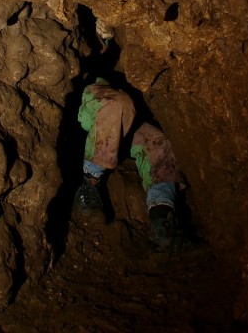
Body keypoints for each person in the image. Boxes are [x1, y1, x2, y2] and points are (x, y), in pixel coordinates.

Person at [73, 76, 180, 249]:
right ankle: (89, 185)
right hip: (96, 86)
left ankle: (162, 219)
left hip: (129, 112)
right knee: (118, 103)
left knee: (158, 141)